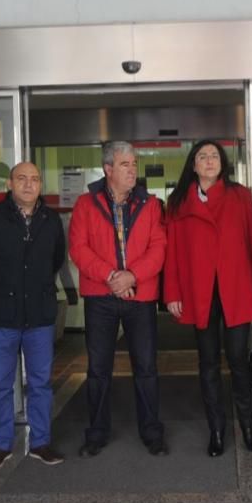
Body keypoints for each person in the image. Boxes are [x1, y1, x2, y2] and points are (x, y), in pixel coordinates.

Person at [163, 140, 252, 457]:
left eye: (214, 156)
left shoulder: (239, 196)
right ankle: (217, 430)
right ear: (193, 165)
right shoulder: (178, 202)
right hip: (199, 291)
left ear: (223, 163)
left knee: (238, 361)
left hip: (236, 288)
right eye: (202, 157)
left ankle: (248, 426)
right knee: (208, 363)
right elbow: (172, 253)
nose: (209, 161)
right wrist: (172, 292)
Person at [0, 162, 66, 468]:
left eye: (35, 179)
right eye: (21, 179)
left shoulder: (50, 220)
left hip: (39, 314)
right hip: (2, 315)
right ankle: (0, 444)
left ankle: (41, 442)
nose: (28, 184)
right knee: (1, 384)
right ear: (9, 183)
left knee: (40, 383)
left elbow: (56, 259)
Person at [69, 141, 168, 457]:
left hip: (140, 296)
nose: (132, 170)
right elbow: (79, 249)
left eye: (134, 164)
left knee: (147, 367)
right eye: (126, 165)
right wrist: (113, 277)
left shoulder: (151, 205)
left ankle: (152, 432)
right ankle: (96, 433)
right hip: (101, 297)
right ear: (108, 169)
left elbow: (158, 249)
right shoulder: (86, 204)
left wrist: (132, 276)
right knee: (98, 369)